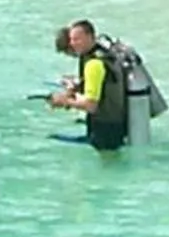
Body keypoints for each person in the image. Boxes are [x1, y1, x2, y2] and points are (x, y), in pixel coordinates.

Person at [48, 18, 132, 151]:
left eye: (77, 39)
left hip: (105, 130)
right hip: (116, 124)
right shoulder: (102, 54)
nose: (73, 43)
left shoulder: (93, 64)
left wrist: (64, 101)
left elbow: (90, 105)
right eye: (71, 39)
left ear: (90, 37)